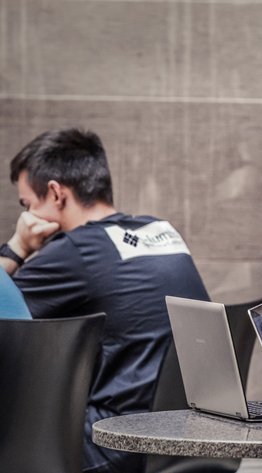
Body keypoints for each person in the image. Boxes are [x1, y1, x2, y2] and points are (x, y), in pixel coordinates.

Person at [0, 128, 210, 473]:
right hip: (185, 434)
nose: (27, 217)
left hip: (115, 440)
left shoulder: (73, 251)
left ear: (55, 193)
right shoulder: (162, 231)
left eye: (28, 206)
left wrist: (17, 247)